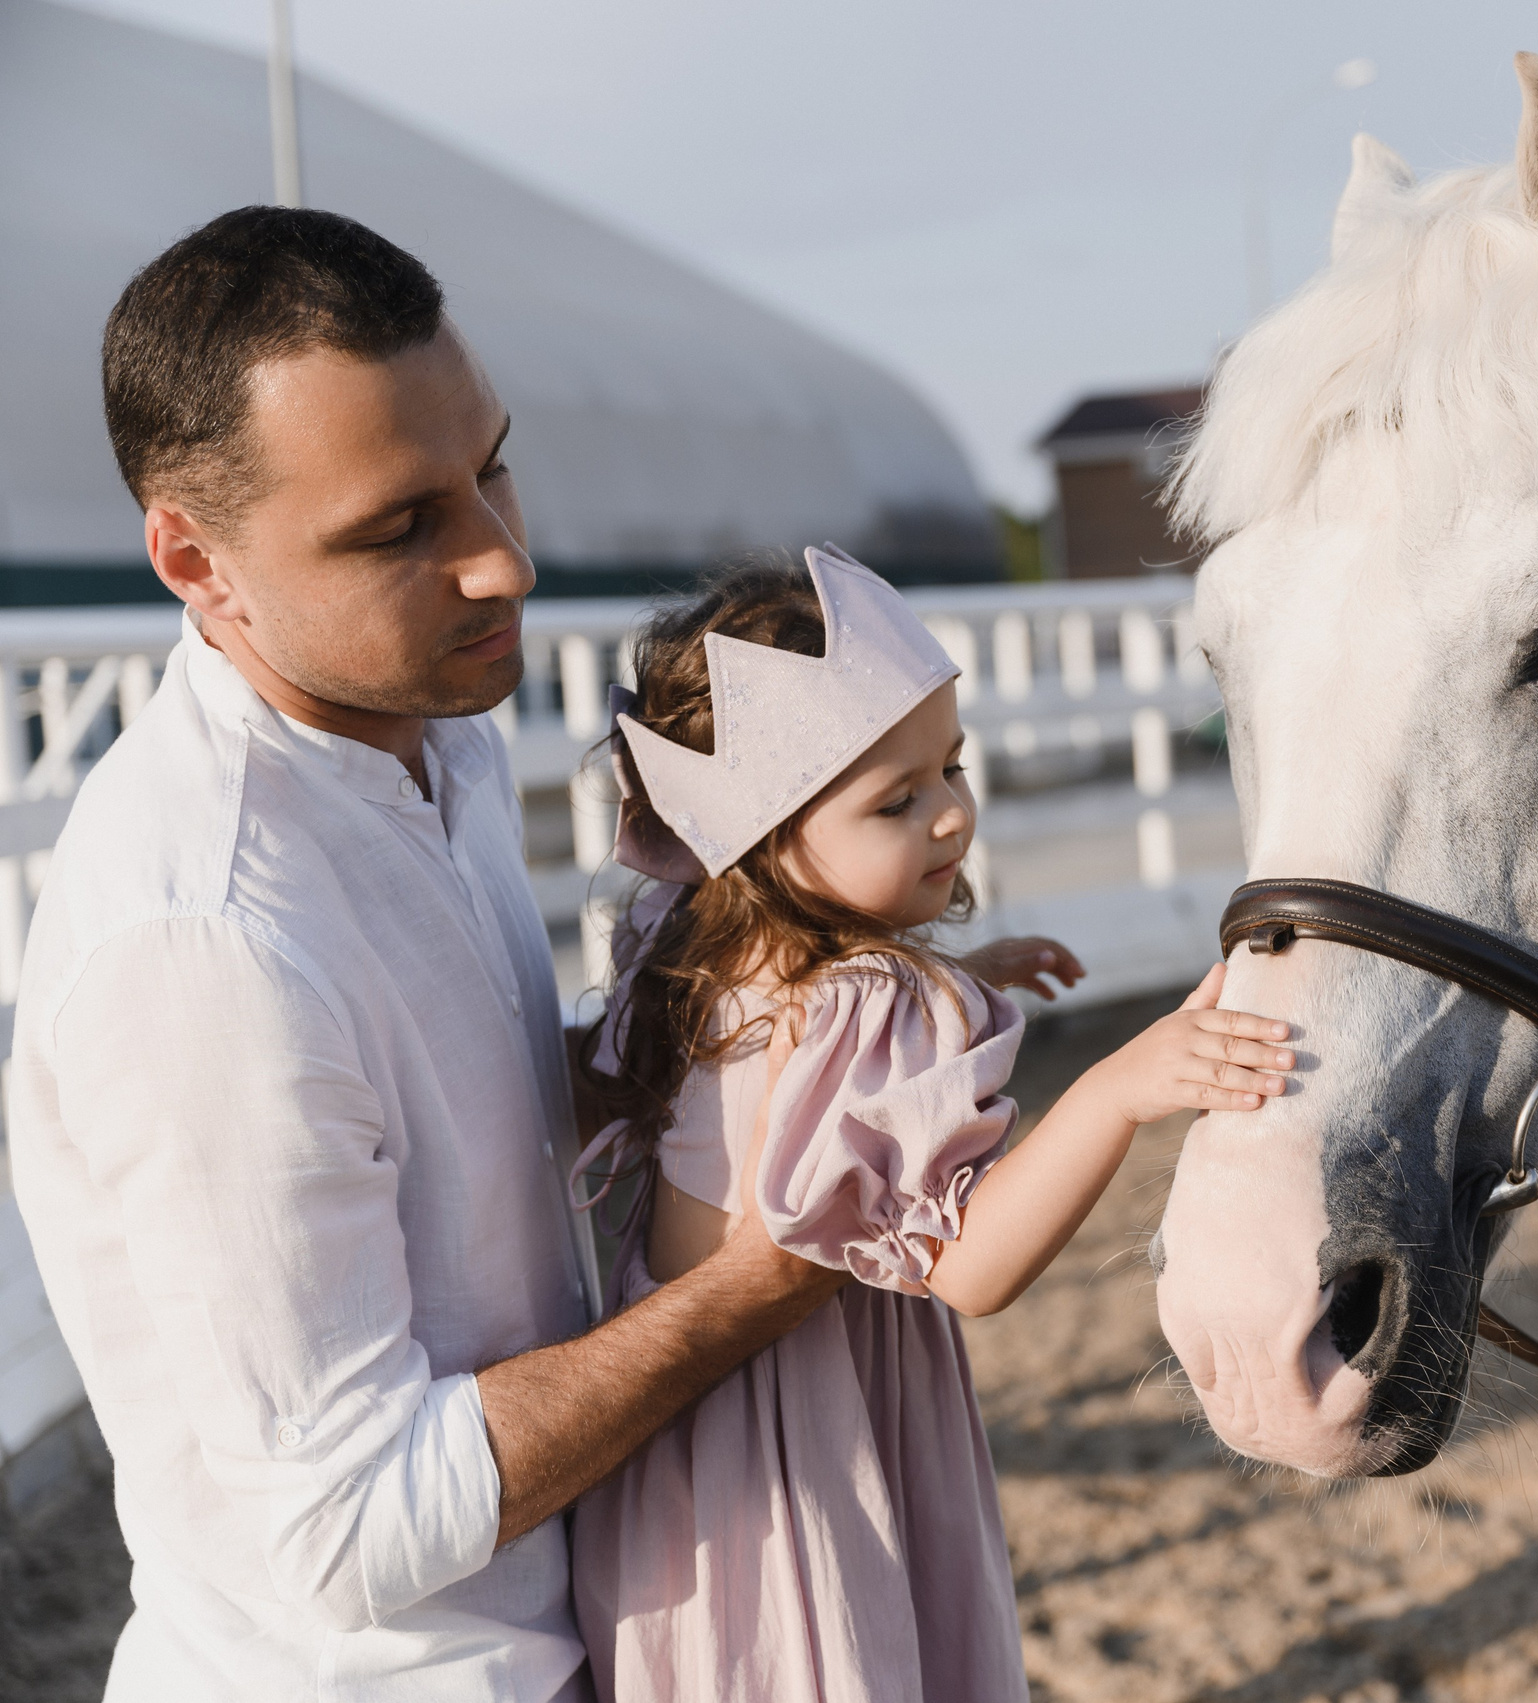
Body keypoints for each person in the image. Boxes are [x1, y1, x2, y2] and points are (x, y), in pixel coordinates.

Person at [6, 207, 980, 1700]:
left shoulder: (424, 737)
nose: (503, 562)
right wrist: (772, 1269)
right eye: (403, 526)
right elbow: (344, 1526)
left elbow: (491, 1126)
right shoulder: (205, 942)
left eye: (494, 467)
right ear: (197, 561)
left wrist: (765, 1019)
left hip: (581, 1627)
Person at [567, 546, 1295, 1702]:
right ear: (762, 840)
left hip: (675, 1470)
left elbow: (806, 1069)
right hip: (817, 1447)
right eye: (894, 799)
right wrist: (1117, 1088)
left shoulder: (690, 962)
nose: (951, 812)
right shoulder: (882, 1001)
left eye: (948, 765)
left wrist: (965, 983)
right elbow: (965, 1264)